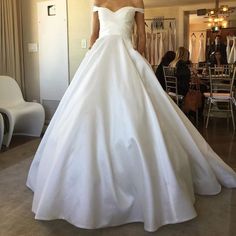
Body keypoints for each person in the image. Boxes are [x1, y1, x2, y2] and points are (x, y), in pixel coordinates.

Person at [26, 0, 236, 233]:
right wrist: (89, 63)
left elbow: (142, 38)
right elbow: (94, 35)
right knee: (88, 114)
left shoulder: (136, 1)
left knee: (138, 112)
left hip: (127, 56)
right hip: (100, 58)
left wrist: (137, 62)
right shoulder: (96, 1)